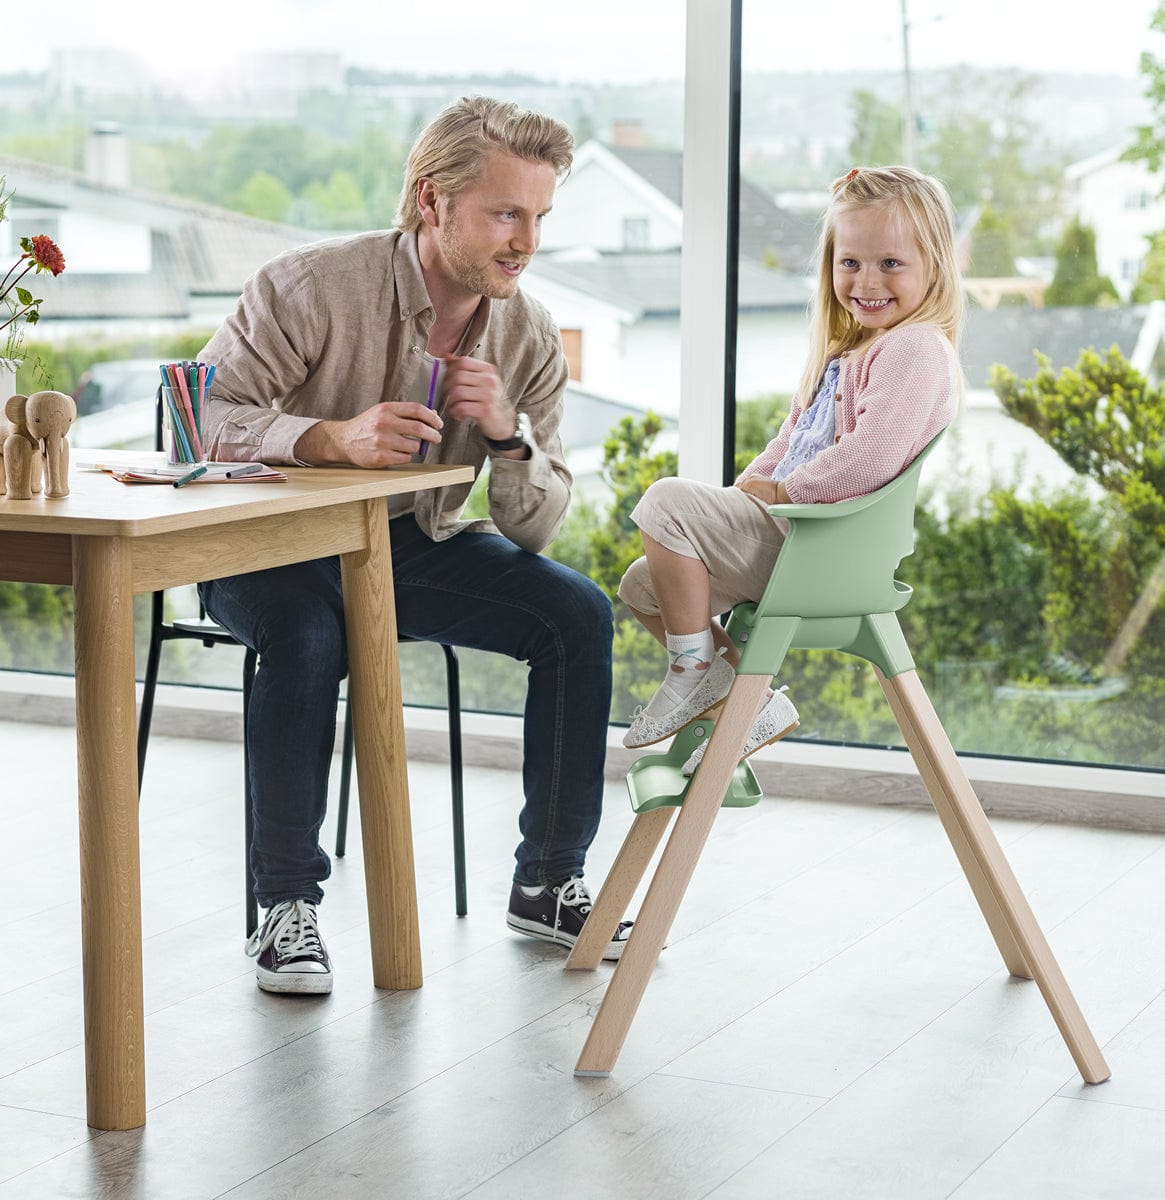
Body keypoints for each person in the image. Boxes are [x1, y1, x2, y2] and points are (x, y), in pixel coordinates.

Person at [197, 96, 628, 995]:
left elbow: (536, 524)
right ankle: (285, 910)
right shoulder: (311, 286)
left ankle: (548, 881)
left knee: (575, 615)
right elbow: (196, 417)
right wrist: (327, 439)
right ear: (431, 202)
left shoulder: (530, 334)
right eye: (505, 213)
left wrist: (508, 439)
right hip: (262, 543)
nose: (526, 240)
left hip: (408, 545)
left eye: (539, 216)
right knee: (310, 638)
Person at [619, 164, 964, 775]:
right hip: (791, 535)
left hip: (821, 548)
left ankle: (692, 670)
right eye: (850, 263)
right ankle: (740, 702)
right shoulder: (846, 351)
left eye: (890, 264)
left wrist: (779, 492)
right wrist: (741, 497)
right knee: (643, 584)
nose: (866, 281)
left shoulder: (914, 349)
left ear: (933, 266)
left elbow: (868, 458)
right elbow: (785, 446)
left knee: (664, 500)